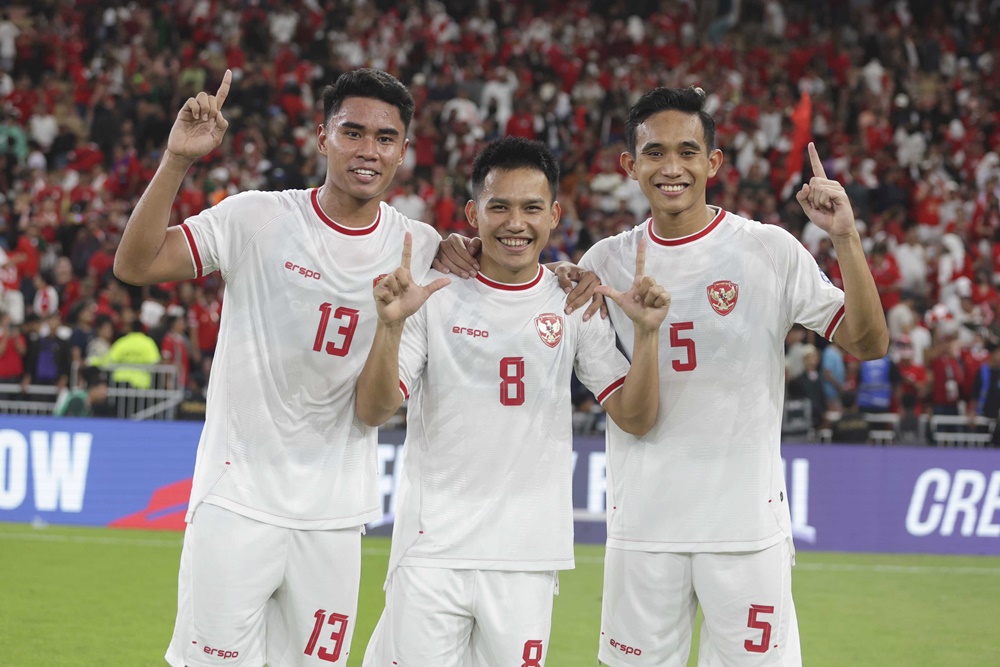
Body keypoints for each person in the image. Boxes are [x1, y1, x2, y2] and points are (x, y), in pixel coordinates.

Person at [113, 68, 447, 667]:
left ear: (403, 150)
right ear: (322, 137)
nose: (368, 150)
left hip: (335, 516)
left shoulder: (419, 247)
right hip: (236, 499)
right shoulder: (255, 218)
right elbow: (136, 265)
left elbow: (508, 262)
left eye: (385, 138)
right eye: (353, 132)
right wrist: (175, 161)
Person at [577, 88, 888, 666]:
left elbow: (868, 342)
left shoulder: (769, 249)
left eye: (688, 151)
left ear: (713, 163)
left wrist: (845, 236)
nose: (672, 168)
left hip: (746, 533)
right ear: (630, 165)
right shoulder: (603, 263)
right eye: (655, 153)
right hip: (644, 531)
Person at [356, 137, 670, 667]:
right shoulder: (431, 294)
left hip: (527, 556)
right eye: (499, 206)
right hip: (432, 551)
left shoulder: (573, 301)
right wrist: (389, 329)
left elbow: (635, 418)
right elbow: (374, 411)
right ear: (474, 213)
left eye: (530, 208)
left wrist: (646, 338)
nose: (514, 223)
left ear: (554, 215)